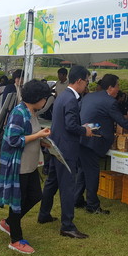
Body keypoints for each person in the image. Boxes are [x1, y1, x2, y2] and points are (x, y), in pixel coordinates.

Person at [0, 80, 52, 254]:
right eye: (45, 99)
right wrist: (38, 135)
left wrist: (41, 140)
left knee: (35, 196)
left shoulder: (30, 111)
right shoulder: (19, 112)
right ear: (37, 98)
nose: (45, 102)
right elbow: (13, 140)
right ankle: (16, 240)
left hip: (30, 165)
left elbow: (28, 135)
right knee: (17, 202)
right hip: (19, 166)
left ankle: (10, 222)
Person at [38, 65, 93, 239]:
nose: (87, 85)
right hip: (66, 149)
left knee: (52, 182)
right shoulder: (70, 99)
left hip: (57, 145)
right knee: (68, 187)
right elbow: (70, 125)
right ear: (79, 81)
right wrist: (85, 130)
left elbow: (63, 123)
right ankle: (67, 225)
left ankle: (44, 214)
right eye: (86, 81)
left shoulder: (62, 96)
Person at [76, 74, 128, 214]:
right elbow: (122, 121)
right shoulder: (110, 102)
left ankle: (77, 199)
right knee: (92, 173)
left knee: (83, 170)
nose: (118, 89)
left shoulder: (89, 96)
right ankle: (92, 206)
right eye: (117, 86)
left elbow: (77, 112)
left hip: (81, 137)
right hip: (94, 140)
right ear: (110, 87)